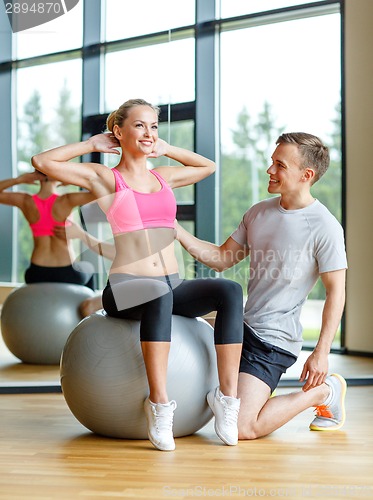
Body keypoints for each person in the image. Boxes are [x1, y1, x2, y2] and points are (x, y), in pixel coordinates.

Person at [31, 98, 244, 451]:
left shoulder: (164, 177)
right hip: (126, 286)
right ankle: (159, 405)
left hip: (170, 284)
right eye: (140, 125)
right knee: (157, 295)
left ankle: (227, 400)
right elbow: (42, 162)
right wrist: (89, 145)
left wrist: (168, 148)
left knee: (229, 292)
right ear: (119, 131)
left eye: (154, 126)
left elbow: (207, 166)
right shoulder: (104, 178)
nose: (149, 133)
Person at [175, 132, 348, 440]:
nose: (270, 170)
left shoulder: (325, 226)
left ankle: (324, 393)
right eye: (272, 161)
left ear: (306, 175)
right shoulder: (258, 212)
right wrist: (174, 229)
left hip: (273, 341)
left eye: (279, 165)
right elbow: (221, 258)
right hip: (243, 327)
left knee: (243, 427)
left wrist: (321, 352)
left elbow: (337, 291)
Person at [0, 171, 96, 289]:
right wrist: (70, 178)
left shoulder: (26, 201)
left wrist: (18, 180)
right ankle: (89, 306)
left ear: (37, 176)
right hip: (66, 272)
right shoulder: (66, 200)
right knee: (90, 268)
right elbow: (100, 192)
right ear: (57, 177)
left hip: (36, 273)